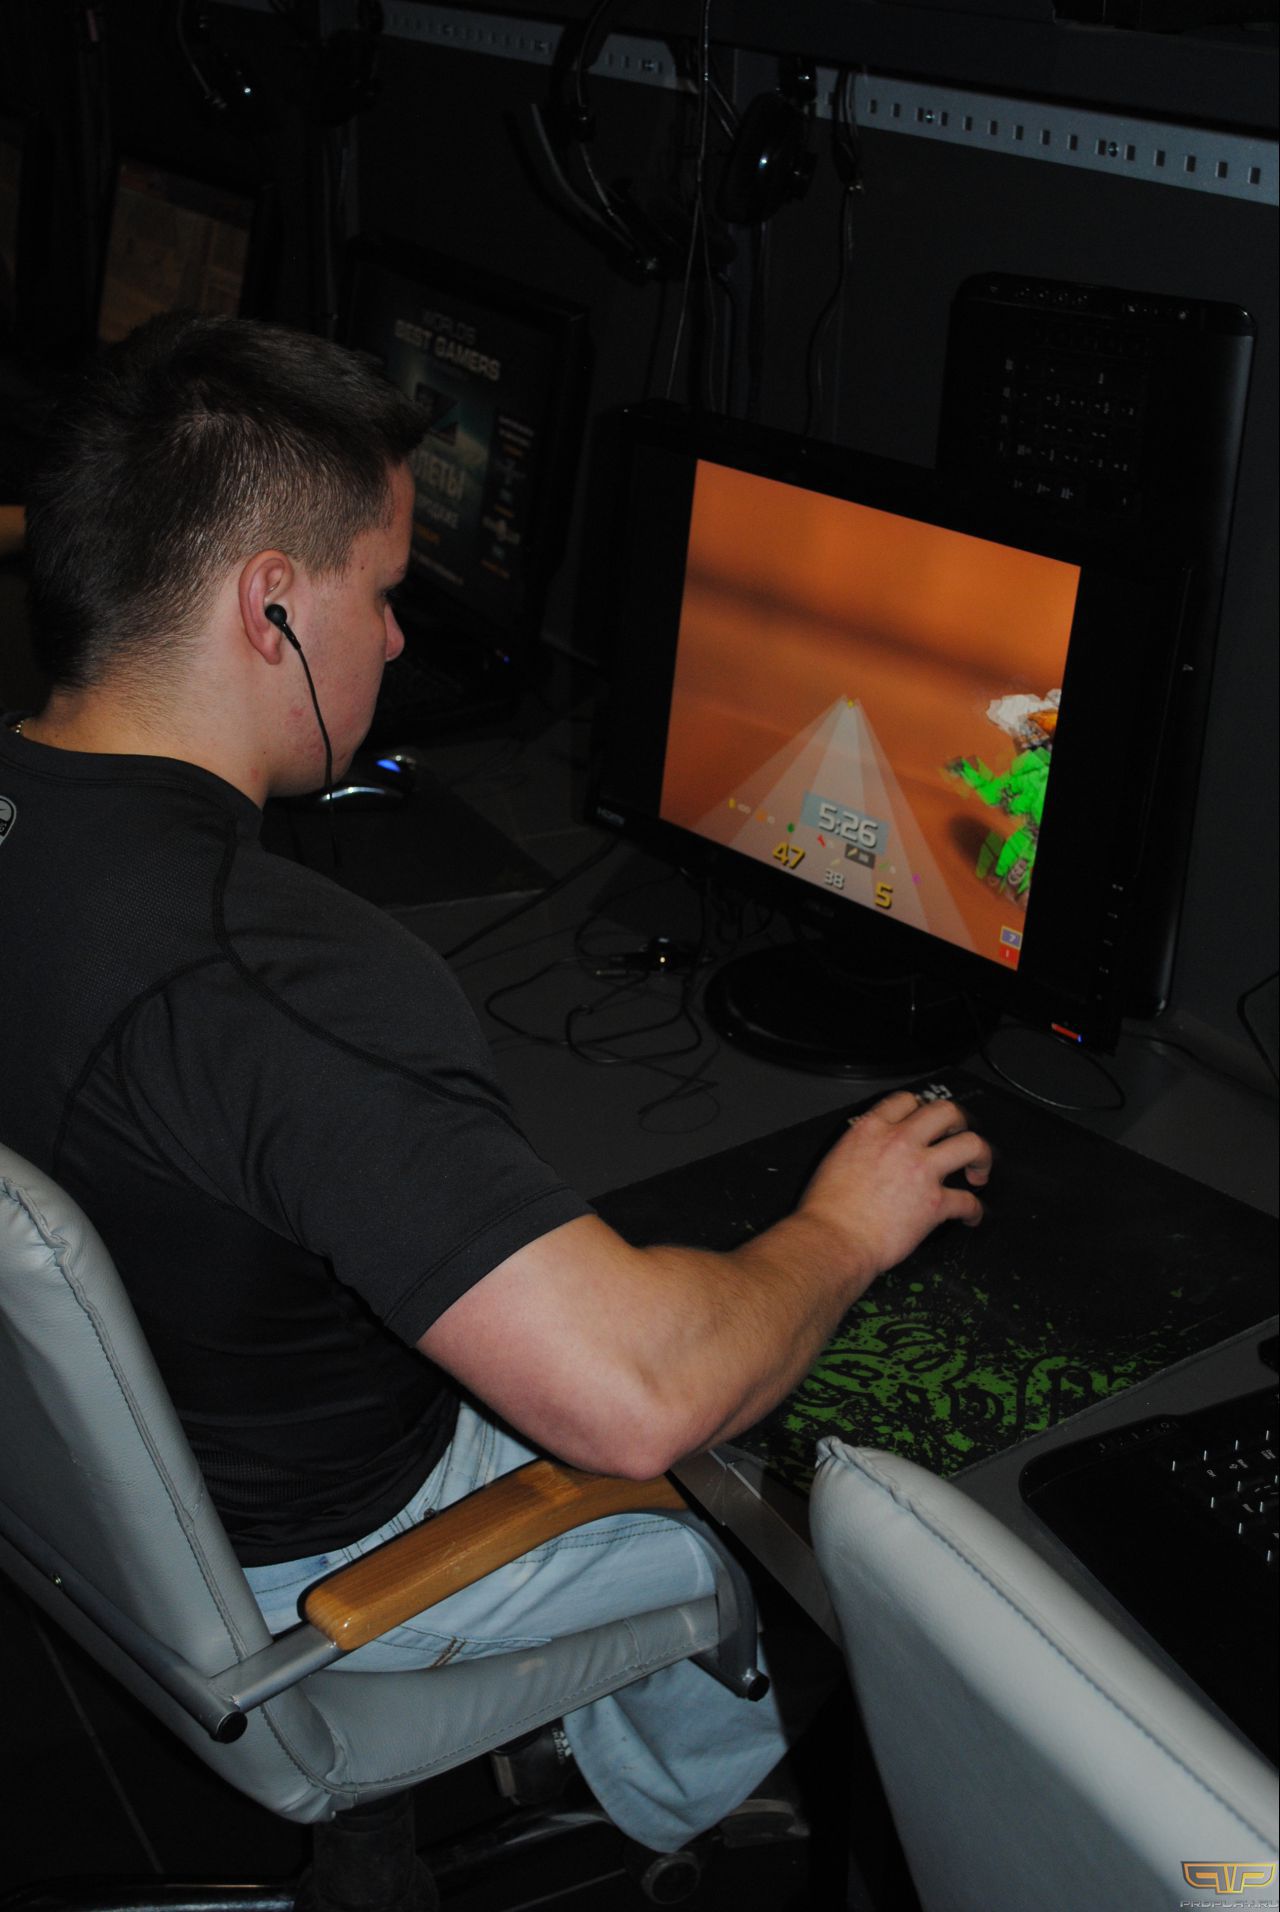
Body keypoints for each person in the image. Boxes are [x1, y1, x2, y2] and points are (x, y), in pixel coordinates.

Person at [0, 313, 991, 1853]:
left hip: (118, 1490)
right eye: (385, 592)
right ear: (271, 607)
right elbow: (636, 1399)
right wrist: (848, 1226)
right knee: (768, 1512)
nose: (399, 642)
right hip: (323, 1567)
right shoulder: (276, 976)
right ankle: (710, 1807)